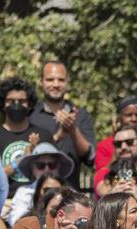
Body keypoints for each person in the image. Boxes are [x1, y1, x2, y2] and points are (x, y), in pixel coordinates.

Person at [30, 61, 95, 190]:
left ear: (67, 82)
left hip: (70, 193)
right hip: (37, 193)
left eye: (61, 80)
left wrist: (73, 130)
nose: (56, 84)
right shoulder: (30, 116)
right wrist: (57, 137)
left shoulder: (81, 115)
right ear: (41, 81)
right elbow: (27, 157)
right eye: (50, 80)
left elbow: (90, 158)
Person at [0, 78, 54, 196]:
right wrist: (22, 159)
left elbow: (54, 176)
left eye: (22, 100)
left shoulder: (44, 136)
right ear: (3, 104)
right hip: (2, 205)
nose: (16, 105)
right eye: (10, 100)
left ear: (29, 104)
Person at [3, 142, 74, 227]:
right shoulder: (23, 193)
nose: (47, 169)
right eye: (41, 165)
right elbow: (17, 224)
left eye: (52, 165)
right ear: (33, 168)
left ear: (58, 166)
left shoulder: (71, 192)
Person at [94, 95, 137, 171]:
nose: (134, 119)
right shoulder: (104, 146)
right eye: (129, 115)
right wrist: (118, 147)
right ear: (119, 118)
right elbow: (102, 177)